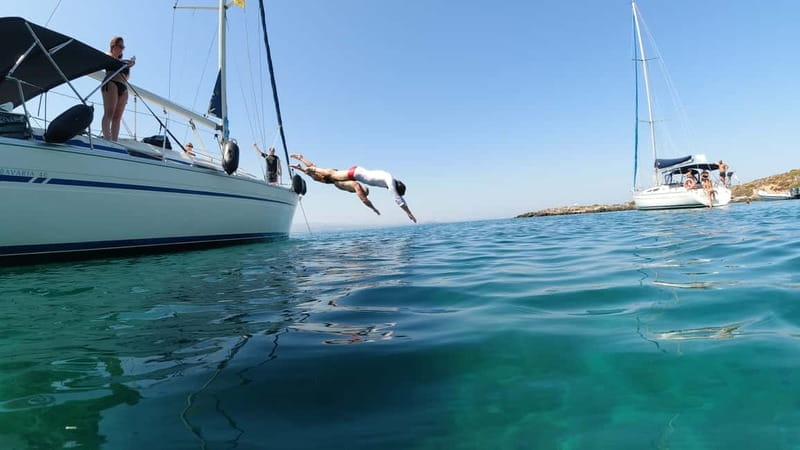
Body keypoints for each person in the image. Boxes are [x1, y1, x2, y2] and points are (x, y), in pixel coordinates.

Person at [289, 154, 416, 222]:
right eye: (365, 192)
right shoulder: (389, 182)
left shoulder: (389, 177)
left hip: (357, 172)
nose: (365, 193)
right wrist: (408, 213)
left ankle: (303, 167)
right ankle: (307, 163)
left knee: (318, 177)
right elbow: (398, 200)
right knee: (327, 173)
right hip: (355, 173)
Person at [290, 155, 380, 215]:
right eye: (363, 193)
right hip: (333, 175)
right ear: (363, 191)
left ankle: (300, 167)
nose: (361, 195)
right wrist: (373, 208)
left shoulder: (354, 185)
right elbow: (364, 200)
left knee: (315, 177)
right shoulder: (356, 186)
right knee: (314, 169)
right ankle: (300, 159)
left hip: (333, 179)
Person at [101, 36, 135, 141]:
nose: (122, 49)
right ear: (113, 46)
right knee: (109, 112)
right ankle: (107, 139)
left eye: (123, 47)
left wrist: (128, 66)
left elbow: (127, 77)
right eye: (120, 46)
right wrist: (126, 63)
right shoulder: (108, 55)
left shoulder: (124, 63)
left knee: (117, 117)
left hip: (123, 86)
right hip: (111, 82)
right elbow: (110, 59)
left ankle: (114, 141)